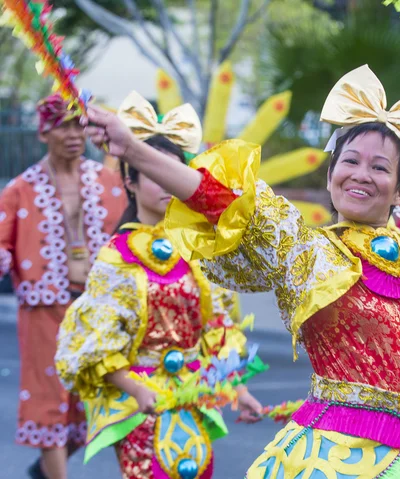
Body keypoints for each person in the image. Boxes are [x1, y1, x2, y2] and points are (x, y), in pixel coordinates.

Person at [82, 62, 400, 478]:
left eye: (380, 167)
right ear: (330, 177)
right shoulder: (304, 251)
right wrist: (134, 151)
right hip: (333, 458)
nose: (362, 174)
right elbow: (218, 199)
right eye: (350, 161)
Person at [55, 92, 264, 479]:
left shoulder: (198, 250)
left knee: (196, 471)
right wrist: (135, 389)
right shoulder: (115, 257)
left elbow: (217, 326)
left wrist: (238, 390)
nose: (165, 183)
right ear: (129, 183)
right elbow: (97, 341)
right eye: (152, 172)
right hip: (141, 406)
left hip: (193, 397)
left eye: (173, 171)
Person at [0, 94, 126, 479]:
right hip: (44, 309)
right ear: (43, 132)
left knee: (99, 403)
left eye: (78, 125)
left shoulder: (110, 182)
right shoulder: (19, 190)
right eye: (63, 126)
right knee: (46, 402)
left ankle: (44, 470)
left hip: (101, 309)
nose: (73, 135)